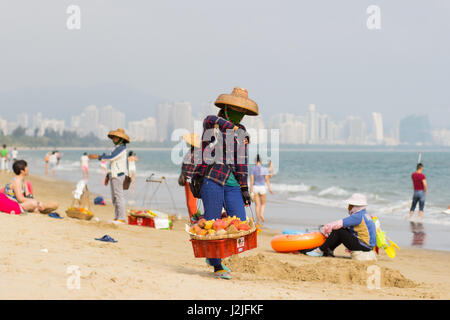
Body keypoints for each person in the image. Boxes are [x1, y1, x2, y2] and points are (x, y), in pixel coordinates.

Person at [192, 87, 258, 280]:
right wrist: (231, 128)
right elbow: (211, 120)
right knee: (214, 225)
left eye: (244, 111)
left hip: (232, 182)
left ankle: (215, 253)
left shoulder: (242, 131)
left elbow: (242, 161)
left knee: (239, 221)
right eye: (238, 109)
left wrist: (245, 188)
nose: (241, 114)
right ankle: (216, 264)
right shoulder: (212, 123)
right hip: (212, 178)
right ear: (228, 107)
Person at [306, 193, 377, 257]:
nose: (348, 207)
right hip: (368, 246)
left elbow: (338, 224)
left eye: (350, 205)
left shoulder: (358, 216)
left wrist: (326, 228)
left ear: (355, 206)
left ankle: (320, 250)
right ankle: (328, 249)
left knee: (339, 230)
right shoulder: (365, 215)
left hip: (363, 246)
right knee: (343, 230)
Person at [95, 128, 130, 224]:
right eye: (114, 137)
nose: (114, 139)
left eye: (116, 137)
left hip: (118, 175)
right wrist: (107, 176)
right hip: (113, 174)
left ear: (121, 139)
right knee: (114, 197)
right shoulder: (117, 148)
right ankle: (117, 216)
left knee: (119, 196)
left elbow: (111, 157)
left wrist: (99, 157)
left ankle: (121, 218)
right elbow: (112, 164)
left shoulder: (122, 148)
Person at [179, 133, 201, 220]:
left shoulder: (197, 153)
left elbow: (194, 168)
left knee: (191, 203)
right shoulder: (192, 151)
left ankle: (195, 220)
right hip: (188, 180)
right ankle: (193, 220)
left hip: (192, 181)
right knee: (189, 203)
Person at [250, 154, 273, 227]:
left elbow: (251, 180)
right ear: (261, 161)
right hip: (262, 188)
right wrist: (269, 189)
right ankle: (262, 214)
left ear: (255, 161)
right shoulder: (264, 169)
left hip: (255, 187)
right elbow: (267, 180)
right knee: (263, 204)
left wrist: (251, 190)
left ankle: (258, 222)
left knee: (257, 205)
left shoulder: (253, 168)